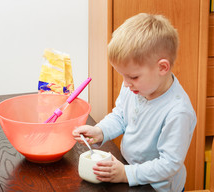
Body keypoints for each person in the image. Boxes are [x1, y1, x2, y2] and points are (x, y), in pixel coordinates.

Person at [72, 13, 196, 191]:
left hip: (157, 186)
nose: (125, 83)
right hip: (128, 170)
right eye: (123, 75)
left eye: (133, 76)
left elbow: (168, 165)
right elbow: (121, 116)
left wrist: (126, 173)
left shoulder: (178, 111)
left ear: (162, 67)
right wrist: (100, 131)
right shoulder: (135, 87)